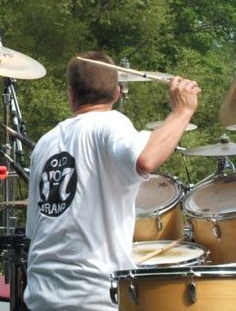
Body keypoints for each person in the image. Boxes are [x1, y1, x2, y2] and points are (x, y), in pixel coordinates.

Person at [24, 51, 200, 310]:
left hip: (41, 295)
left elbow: (35, 230)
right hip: (93, 296)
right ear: (117, 93)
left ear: (71, 94)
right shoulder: (111, 123)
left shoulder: (44, 143)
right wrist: (183, 111)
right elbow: (145, 159)